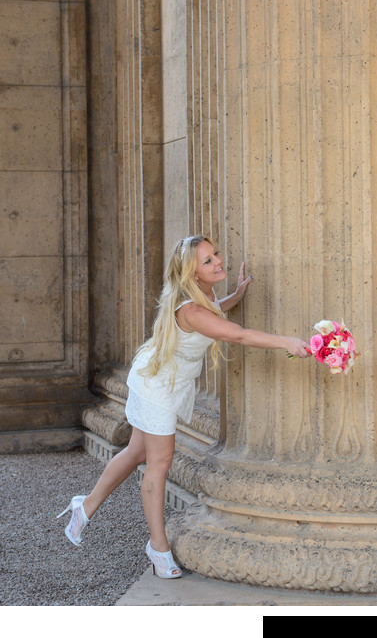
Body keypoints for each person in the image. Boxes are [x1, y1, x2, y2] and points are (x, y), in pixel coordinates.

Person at [58, 235, 311, 578]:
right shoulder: (192, 308)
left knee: (136, 452)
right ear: (193, 274)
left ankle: (84, 506)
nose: (218, 261)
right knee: (158, 463)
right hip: (157, 387)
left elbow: (217, 312)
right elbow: (234, 334)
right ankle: (158, 548)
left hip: (154, 377)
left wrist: (236, 294)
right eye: (207, 261)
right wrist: (288, 343)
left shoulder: (200, 297)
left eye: (215, 254)